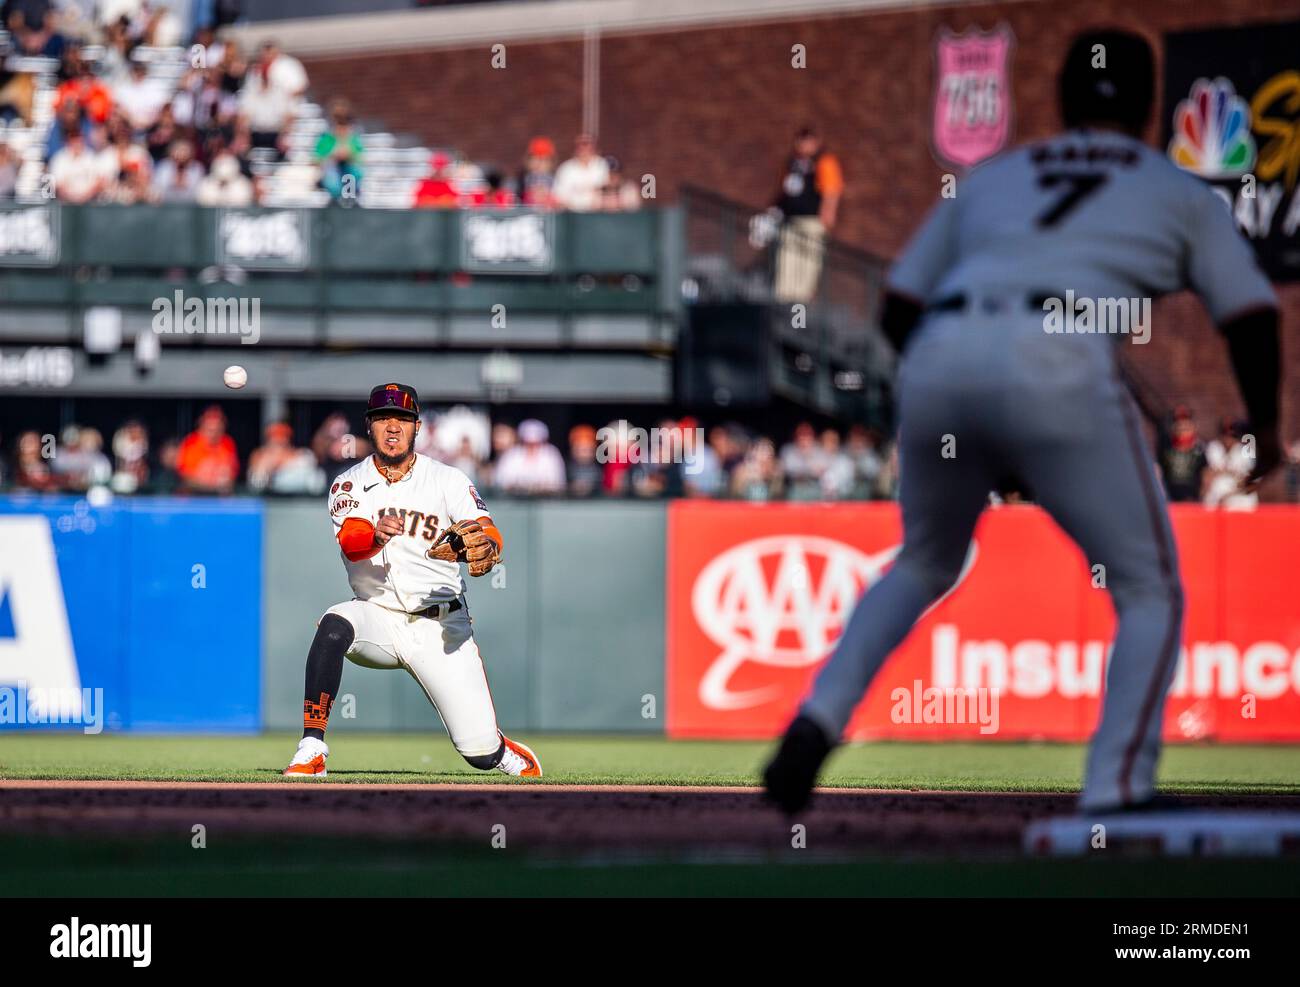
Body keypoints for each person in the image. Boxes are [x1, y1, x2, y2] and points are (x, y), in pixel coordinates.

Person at [762, 30, 1282, 816]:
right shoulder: (1175, 189)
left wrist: (969, 412)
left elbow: (899, 304)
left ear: (1062, 100)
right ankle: (1114, 788)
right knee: (1150, 589)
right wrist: (1268, 433)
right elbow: (1249, 314)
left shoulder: (996, 176)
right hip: (1061, 355)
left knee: (926, 561)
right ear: (1149, 109)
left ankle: (816, 721)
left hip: (943, 350)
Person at [282, 383, 541, 779]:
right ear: (369, 426)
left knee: (479, 751)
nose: (392, 427)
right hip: (379, 614)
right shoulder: (348, 483)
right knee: (334, 625)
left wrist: (487, 545)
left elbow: (487, 529)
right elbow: (352, 544)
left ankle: (501, 751)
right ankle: (312, 747)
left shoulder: (447, 479)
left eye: (401, 419)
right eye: (383, 418)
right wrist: (375, 535)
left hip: (441, 628)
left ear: (416, 426)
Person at [771, 125, 843, 303]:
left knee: (806, 273)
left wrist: (827, 215)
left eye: (808, 140)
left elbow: (832, 191)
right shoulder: (793, 163)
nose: (804, 144)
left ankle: (799, 321)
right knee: (787, 269)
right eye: (802, 140)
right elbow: (785, 190)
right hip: (791, 221)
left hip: (811, 223)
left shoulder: (824, 161)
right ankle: (785, 313)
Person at [176, 405, 239, 494]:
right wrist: (208, 482)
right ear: (202, 426)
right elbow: (185, 477)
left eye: (217, 429)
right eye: (210, 429)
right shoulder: (191, 443)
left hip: (220, 497)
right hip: (194, 497)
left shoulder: (227, 443)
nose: (213, 434)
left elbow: (232, 474)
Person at [247, 421, 324, 495]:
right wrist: (266, 467)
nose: (278, 447)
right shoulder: (261, 457)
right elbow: (256, 486)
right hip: (272, 503)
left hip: (302, 503)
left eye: (281, 441)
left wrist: (284, 462)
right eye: (275, 442)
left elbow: (317, 485)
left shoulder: (305, 456)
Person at [492, 418, 565, 494]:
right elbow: (500, 482)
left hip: (546, 501)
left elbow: (558, 482)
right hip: (515, 500)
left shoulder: (551, 454)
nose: (532, 446)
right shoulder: (511, 455)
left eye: (536, 442)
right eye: (528, 442)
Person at [1202, 418, 1257, 510]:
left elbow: (1251, 483)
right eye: (1225, 434)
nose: (1228, 438)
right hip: (1216, 498)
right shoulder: (1213, 448)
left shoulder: (1246, 452)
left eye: (1232, 435)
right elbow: (1207, 476)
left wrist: (1228, 496)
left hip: (1238, 496)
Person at [315, 97, 363, 201]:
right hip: (331, 171)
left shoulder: (353, 138)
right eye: (338, 120)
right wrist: (332, 155)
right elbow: (317, 158)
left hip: (348, 171)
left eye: (344, 121)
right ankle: (337, 201)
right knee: (333, 182)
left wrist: (348, 154)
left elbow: (359, 158)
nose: (340, 126)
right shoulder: (326, 137)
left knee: (351, 175)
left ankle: (348, 201)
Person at [1156, 406, 1206, 503]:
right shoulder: (1165, 448)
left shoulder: (1200, 449)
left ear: (1193, 428)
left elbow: (1206, 473)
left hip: (1193, 498)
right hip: (1169, 498)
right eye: (1179, 426)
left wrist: (1201, 496)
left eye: (1186, 427)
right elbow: (1158, 472)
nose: (1182, 429)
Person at [551, 133, 608, 212]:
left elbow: (606, 189)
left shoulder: (602, 164)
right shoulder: (566, 168)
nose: (585, 150)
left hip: (597, 211)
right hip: (572, 212)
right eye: (581, 146)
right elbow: (559, 195)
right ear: (576, 149)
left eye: (588, 145)